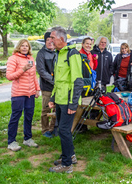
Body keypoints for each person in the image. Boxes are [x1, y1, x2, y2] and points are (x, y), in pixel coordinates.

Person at [48, 26, 83, 173]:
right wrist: (53, 97)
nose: (50, 40)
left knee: (63, 130)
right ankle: (69, 155)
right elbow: (58, 80)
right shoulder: (58, 54)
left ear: (61, 39)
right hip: (60, 99)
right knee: (63, 131)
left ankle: (67, 164)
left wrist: (73, 103)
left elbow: (77, 80)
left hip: (69, 101)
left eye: (52, 38)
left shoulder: (72, 54)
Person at [6, 39, 40, 151]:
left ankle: (28, 138)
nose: (25, 48)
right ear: (18, 47)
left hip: (30, 93)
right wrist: (23, 69)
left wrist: (37, 89)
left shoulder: (30, 58)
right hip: (18, 93)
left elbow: (34, 76)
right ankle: (11, 141)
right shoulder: (13, 59)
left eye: (27, 46)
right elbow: (9, 76)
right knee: (15, 116)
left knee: (29, 116)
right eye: (22, 46)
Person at [36, 32, 57, 138]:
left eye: (52, 39)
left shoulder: (57, 53)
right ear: (45, 41)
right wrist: (54, 80)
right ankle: (45, 130)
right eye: (48, 39)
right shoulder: (41, 53)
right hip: (47, 87)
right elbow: (41, 71)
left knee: (56, 109)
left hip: (57, 87)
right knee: (46, 109)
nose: (50, 42)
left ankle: (52, 128)